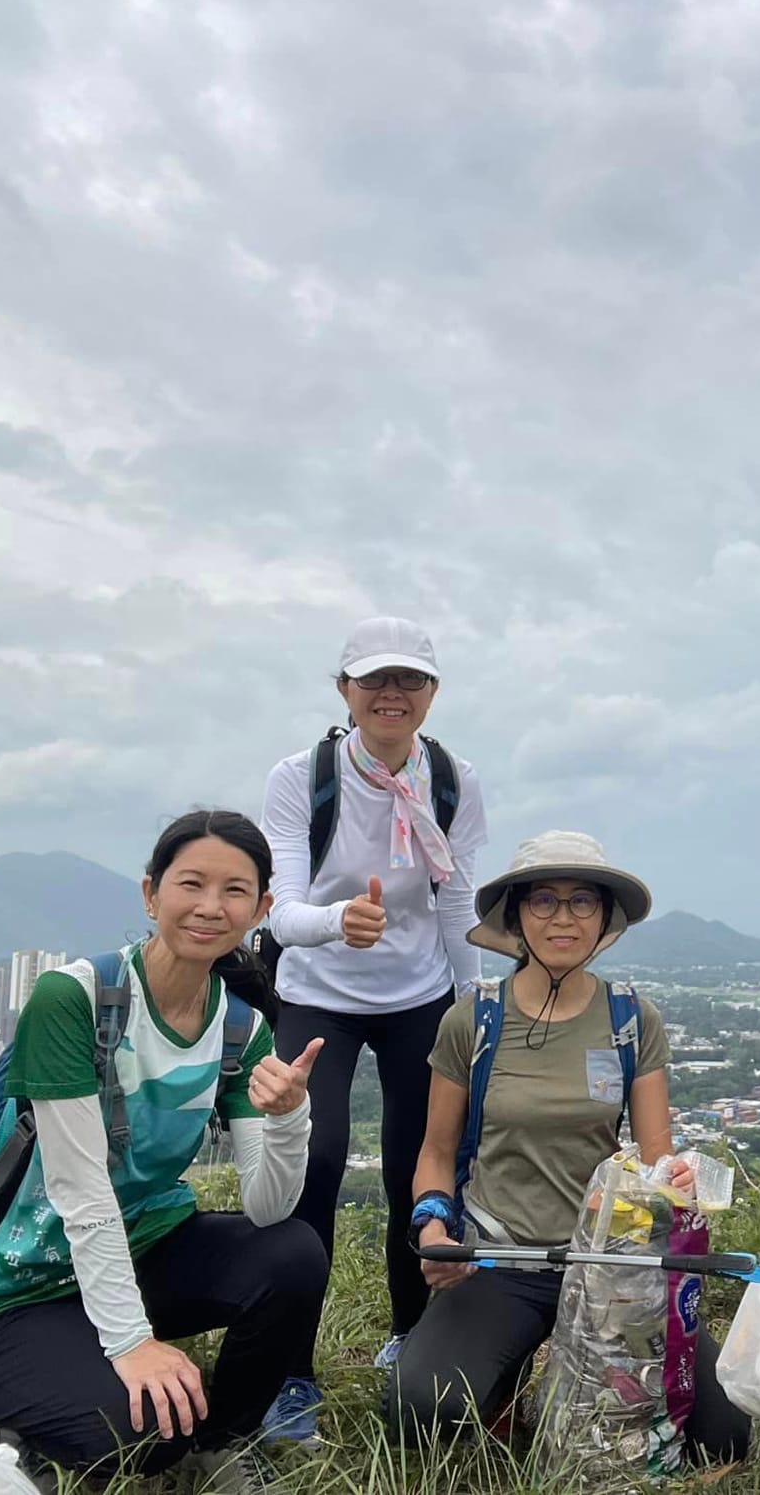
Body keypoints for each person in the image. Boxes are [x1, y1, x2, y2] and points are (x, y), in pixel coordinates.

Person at [0, 810, 326, 1488]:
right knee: (140, 1437)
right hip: (10, 1298)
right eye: (190, 884)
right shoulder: (72, 999)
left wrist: (291, 1116)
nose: (209, 907)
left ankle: (221, 1439)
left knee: (291, 1252)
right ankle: (17, 1417)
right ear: (151, 894)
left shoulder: (240, 1028)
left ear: (260, 908)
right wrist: (133, 1344)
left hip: (137, 1257)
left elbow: (268, 1206)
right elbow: (80, 1190)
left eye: (234, 891)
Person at [392, 831, 750, 1465]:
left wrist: (677, 1183)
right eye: (544, 902)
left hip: (611, 1266)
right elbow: (436, 1153)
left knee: (723, 1432)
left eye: (583, 901)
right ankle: (505, 1386)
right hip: (499, 1259)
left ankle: (562, 1381)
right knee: (425, 1404)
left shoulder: (630, 1019)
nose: (563, 918)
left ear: (604, 917)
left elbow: (653, 1160)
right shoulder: (474, 1021)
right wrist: (431, 1221)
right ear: (518, 916)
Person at [258, 615, 488, 1438]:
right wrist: (335, 923)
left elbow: (457, 900)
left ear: (431, 693)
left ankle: (410, 1340)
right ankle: (288, 1370)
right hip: (317, 989)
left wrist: (471, 1004)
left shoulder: (453, 780)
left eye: (410, 681)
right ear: (344, 690)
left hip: (418, 995)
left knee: (415, 1171)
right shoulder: (302, 777)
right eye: (374, 680)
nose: (392, 695)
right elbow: (279, 910)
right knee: (308, 1171)